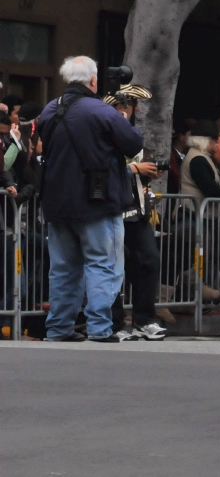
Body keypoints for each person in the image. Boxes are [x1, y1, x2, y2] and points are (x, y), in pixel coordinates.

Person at [37, 56, 143, 343]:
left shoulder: (50, 110)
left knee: (62, 269)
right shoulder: (102, 111)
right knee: (102, 264)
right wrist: (124, 120)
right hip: (96, 202)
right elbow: (133, 143)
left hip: (57, 203)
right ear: (93, 80)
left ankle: (59, 328)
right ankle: (99, 327)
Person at [103, 85, 167, 341]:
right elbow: (106, 169)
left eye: (127, 106)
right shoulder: (102, 135)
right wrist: (135, 169)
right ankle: (115, 323)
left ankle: (144, 320)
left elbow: (139, 171)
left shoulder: (135, 136)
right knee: (114, 266)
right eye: (118, 106)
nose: (123, 111)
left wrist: (149, 171)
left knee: (149, 260)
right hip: (111, 211)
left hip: (137, 210)